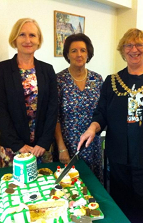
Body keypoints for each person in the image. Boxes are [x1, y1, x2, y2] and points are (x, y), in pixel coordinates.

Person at [77, 28, 143, 223]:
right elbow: (102, 114)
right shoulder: (112, 81)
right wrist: (92, 127)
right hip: (118, 156)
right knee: (120, 203)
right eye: (129, 45)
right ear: (122, 50)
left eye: (139, 44)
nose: (134, 49)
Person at [0, 18, 58, 167]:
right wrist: (18, 145)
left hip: (42, 148)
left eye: (32, 35)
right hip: (13, 148)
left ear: (38, 40)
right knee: (14, 189)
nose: (28, 40)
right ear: (14, 39)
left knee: (44, 188)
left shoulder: (47, 70)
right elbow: (0, 110)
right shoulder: (2, 70)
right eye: (22, 34)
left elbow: (52, 109)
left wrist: (44, 142)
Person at [55, 33, 104, 182]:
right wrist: (61, 147)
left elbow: (102, 112)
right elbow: (54, 117)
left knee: (93, 185)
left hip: (93, 143)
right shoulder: (59, 80)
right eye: (74, 50)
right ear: (67, 54)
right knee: (71, 185)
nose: (79, 54)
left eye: (83, 50)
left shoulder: (97, 79)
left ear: (88, 53)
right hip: (69, 144)